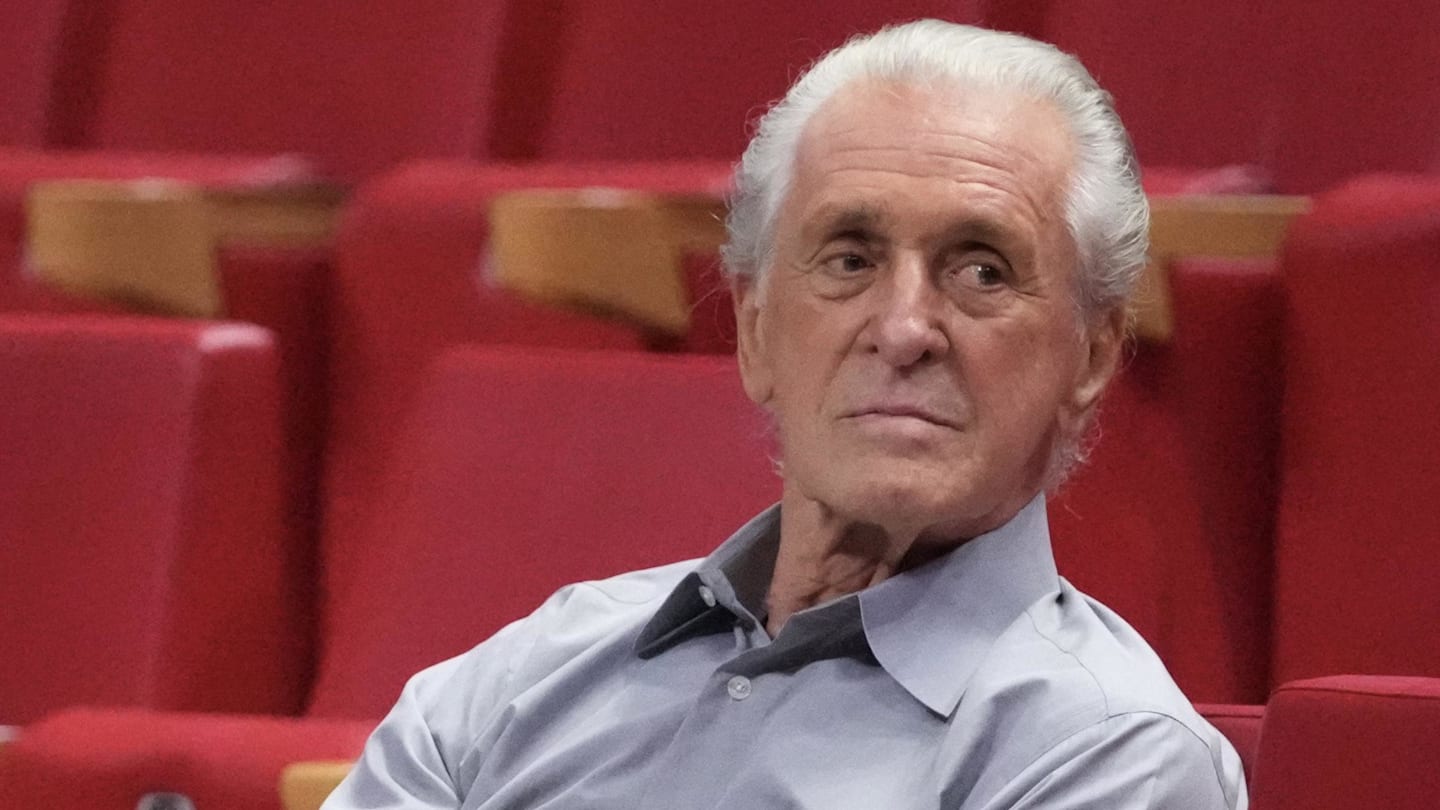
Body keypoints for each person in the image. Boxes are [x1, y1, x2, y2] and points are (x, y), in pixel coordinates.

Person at [324, 20, 1246, 809]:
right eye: (850, 260)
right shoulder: (537, 670)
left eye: (981, 270)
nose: (903, 328)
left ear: (1090, 354)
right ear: (757, 330)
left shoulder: (1107, 756)